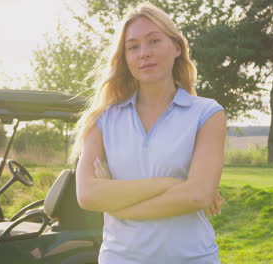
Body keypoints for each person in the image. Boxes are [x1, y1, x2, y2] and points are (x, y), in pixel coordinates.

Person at [71, 2, 226, 264]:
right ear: (125, 57)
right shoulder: (102, 119)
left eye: (154, 41)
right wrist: (171, 184)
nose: (144, 53)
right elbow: (87, 195)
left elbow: (198, 195)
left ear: (177, 48)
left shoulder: (207, 114)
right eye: (133, 46)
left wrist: (117, 202)